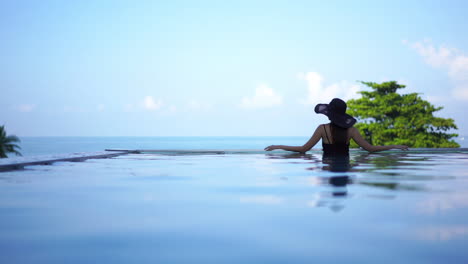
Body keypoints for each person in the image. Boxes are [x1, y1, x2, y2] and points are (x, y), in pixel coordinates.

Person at [264, 98, 408, 154]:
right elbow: (370, 149)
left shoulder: (323, 129)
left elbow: (303, 149)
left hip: (327, 165)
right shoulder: (351, 131)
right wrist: (394, 146)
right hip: (345, 166)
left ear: (329, 113)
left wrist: (278, 146)